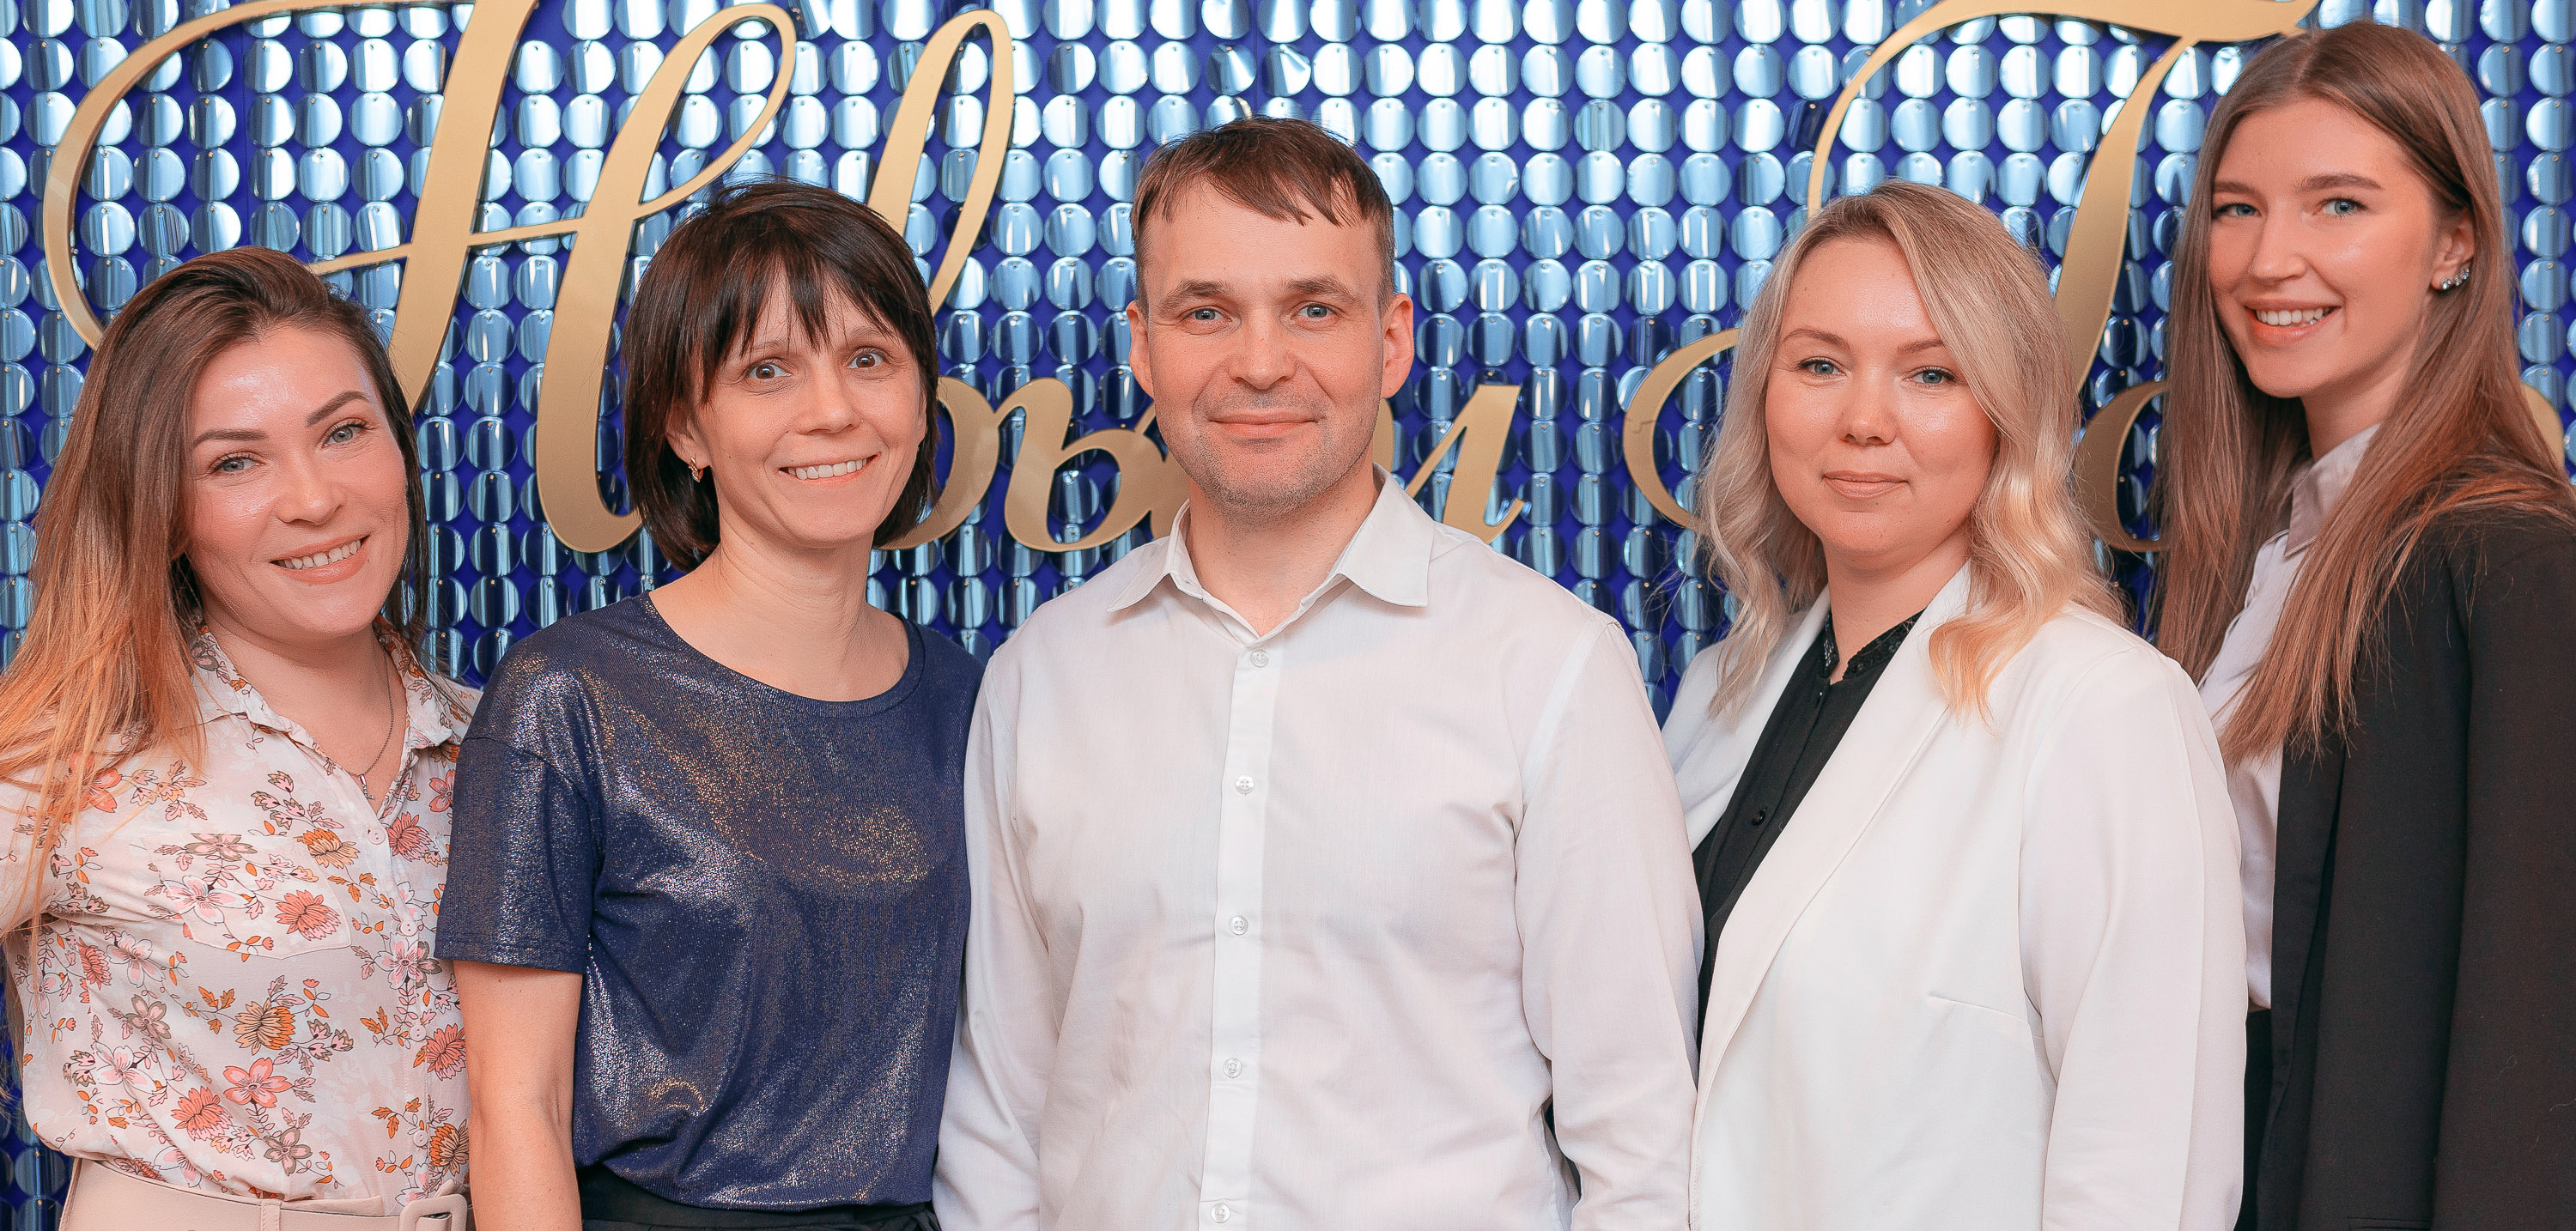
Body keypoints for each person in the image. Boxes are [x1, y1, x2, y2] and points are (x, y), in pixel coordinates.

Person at [933, 117, 1698, 1230]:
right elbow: (1000, 1125)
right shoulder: (1041, 677)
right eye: (1207, 312)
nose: (1258, 363)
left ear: (1391, 341)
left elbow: (1641, 1149)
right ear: (1142, 344)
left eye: (1312, 309)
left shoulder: (1551, 668)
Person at [1664, 180, 2245, 1229]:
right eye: (1820, 365)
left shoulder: (2105, 709)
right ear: (1763, 395)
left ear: (2005, 414)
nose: (1863, 422)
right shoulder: (1717, 695)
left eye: (1931, 373)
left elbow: (2149, 1175)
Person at [438, 180, 976, 1231]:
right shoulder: (569, 697)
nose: (833, 410)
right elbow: (515, 1110)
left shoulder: (967, 698)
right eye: (767, 371)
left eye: (870, 359)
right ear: (687, 425)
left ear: (921, 403)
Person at [2155, 23, 2576, 1230]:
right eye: (2237, 210)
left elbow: (2532, 1032)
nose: (2268, 259)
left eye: (2337, 204)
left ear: (2454, 244)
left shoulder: (2512, 568)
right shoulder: (2255, 554)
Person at [0, 248, 473, 1228]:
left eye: (344, 432)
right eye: (234, 462)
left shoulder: (504, 744)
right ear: (161, 509)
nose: (313, 499)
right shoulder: (68, 756)